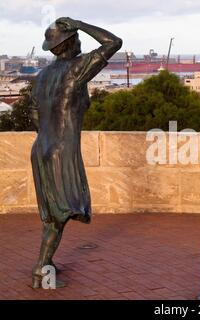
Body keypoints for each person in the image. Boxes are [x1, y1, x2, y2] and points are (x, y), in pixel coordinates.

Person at [30, 17, 122, 288]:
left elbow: (35, 115)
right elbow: (113, 43)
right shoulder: (77, 69)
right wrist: (80, 24)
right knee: (60, 214)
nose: (81, 42)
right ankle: (42, 269)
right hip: (62, 151)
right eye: (77, 38)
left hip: (41, 149)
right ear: (69, 43)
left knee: (52, 213)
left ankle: (45, 263)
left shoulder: (42, 75)